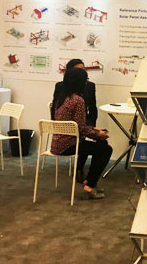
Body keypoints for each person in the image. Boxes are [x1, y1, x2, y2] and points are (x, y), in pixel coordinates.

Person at [51, 68, 112, 200]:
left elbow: (75, 125)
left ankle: (89, 181)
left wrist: (94, 129)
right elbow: (80, 129)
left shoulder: (62, 97)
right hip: (69, 144)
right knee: (106, 149)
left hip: (58, 143)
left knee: (102, 146)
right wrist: (98, 134)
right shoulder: (78, 100)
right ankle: (90, 184)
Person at [52, 59, 97, 126]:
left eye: (83, 69)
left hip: (83, 121)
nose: (82, 72)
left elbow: (92, 109)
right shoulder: (61, 86)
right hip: (65, 124)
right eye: (78, 69)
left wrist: (92, 126)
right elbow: (54, 106)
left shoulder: (89, 86)